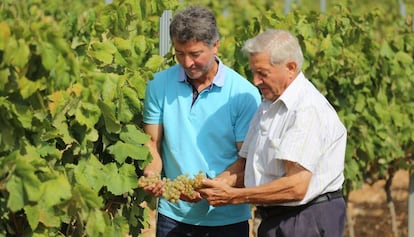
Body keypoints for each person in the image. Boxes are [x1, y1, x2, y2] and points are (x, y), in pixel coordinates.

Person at [199, 29, 347, 237]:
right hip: (279, 217)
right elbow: (245, 166)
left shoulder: (306, 110)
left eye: (263, 73)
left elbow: (296, 187)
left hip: (306, 218)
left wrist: (234, 196)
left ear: (291, 68)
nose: (255, 81)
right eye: (253, 72)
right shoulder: (268, 105)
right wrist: (211, 187)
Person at [141, 5, 262, 237]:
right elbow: (151, 144)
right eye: (179, 53)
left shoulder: (242, 94)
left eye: (195, 54)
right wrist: (152, 175)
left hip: (227, 219)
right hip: (173, 216)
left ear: (215, 45)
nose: (187, 63)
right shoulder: (158, 85)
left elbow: (246, 160)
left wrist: (211, 188)